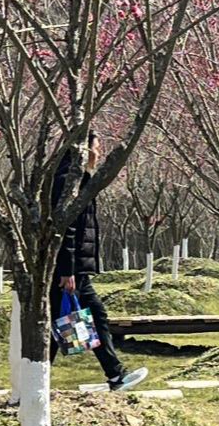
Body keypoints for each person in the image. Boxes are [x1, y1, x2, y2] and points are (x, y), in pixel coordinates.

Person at [50, 132, 148, 392]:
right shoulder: (67, 182)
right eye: (95, 147)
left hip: (76, 268)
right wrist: (67, 269)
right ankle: (34, 378)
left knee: (82, 317)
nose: (98, 153)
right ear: (82, 150)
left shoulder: (80, 180)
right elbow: (66, 227)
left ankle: (115, 375)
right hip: (69, 269)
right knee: (60, 323)